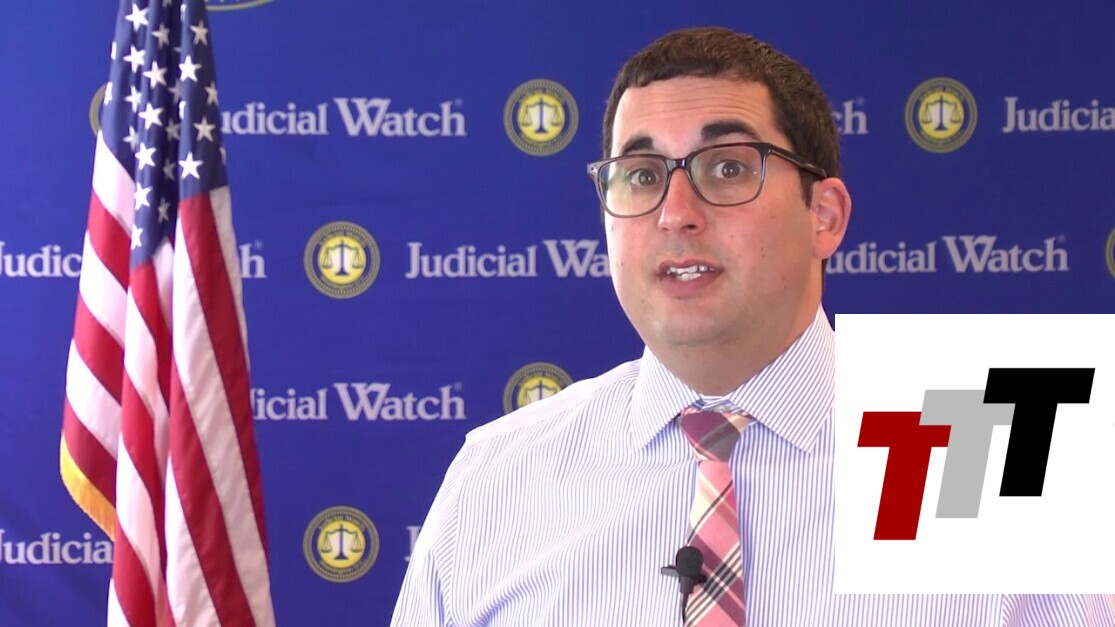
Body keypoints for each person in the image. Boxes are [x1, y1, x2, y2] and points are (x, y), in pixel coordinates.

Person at [391, 27, 1115, 626]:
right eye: (641, 175)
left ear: (824, 215)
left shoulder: (1004, 438)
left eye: (728, 167)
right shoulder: (499, 476)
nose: (676, 212)